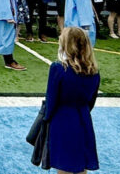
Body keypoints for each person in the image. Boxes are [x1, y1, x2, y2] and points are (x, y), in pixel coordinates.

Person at [43, 27, 100, 174]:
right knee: (80, 166)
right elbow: (91, 101)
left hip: (62, 120)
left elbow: (51, 100)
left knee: (64, 165)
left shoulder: (58, 68)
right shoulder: (94, 72)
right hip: (84, 119)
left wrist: (47, 119)